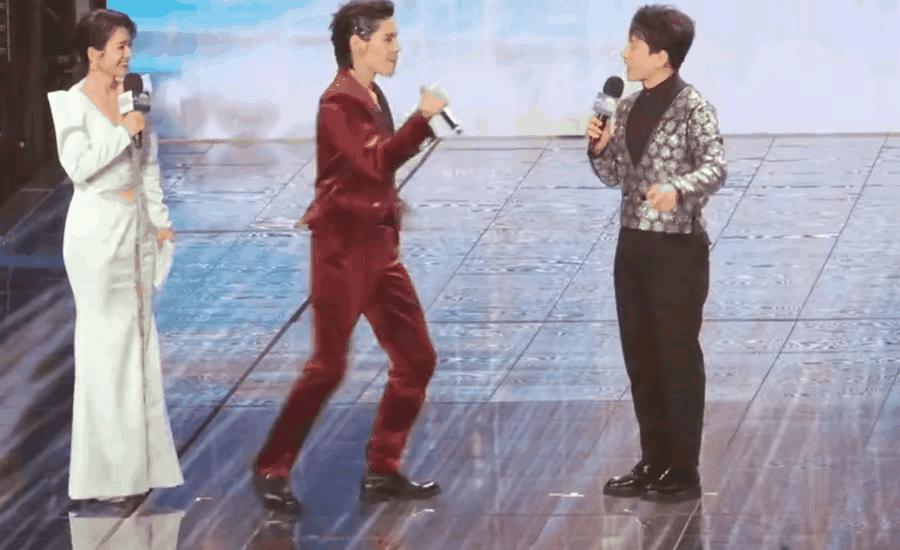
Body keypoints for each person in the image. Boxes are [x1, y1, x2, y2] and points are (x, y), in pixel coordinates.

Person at [251, 0, 446, 512]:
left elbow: (374, 170)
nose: (397, 48)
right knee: (328, 367)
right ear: (358, 42)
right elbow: (373, 160)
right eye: (388, 38)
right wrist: (422, 120)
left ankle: (383, 467)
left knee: (416, 358)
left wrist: (389, 200)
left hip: (379, 248)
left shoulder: (371, 93)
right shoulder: (337, 101)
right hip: (342, 252)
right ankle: (271, 466)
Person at [586, 4, 727, 501]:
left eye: (634, 44)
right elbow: (614, 176)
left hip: (676, 247)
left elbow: (715, 167)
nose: (625, 52)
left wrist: (677, 188)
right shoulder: (625, 107)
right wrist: (598, 148)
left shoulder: (693, 107)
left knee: (675, 357)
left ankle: (683, 469)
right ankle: (653, 461)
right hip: (632, 245)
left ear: (662, 56)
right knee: (641, 357)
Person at [47, 9, 182, 504]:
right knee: (108, 352)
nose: (128, 55)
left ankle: (138, 471)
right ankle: (107, 478)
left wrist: (161, 222)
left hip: (135, 233)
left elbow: (147, 165)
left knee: (139, 349)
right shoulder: (70, 103)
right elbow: (79, 166)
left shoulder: (132, 97)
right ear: (94, 54)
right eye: (120, 46)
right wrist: (123, 128)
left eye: (130, 46)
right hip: (96, 237)